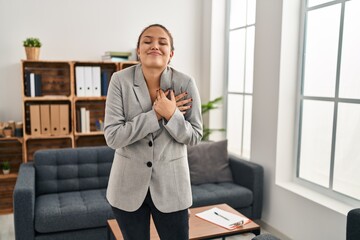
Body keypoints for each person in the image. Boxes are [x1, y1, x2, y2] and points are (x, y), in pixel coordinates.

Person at [104, 24, 203, 240]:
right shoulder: (120, 81)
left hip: (173, 187)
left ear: (171, 54)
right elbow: (113, 136)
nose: (154, 46)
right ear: (138, 51)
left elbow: (194, 136)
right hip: (126, 188)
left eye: (162, 42)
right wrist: (156, 115)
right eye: (147, 42)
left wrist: (172, 114)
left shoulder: (185, 83)